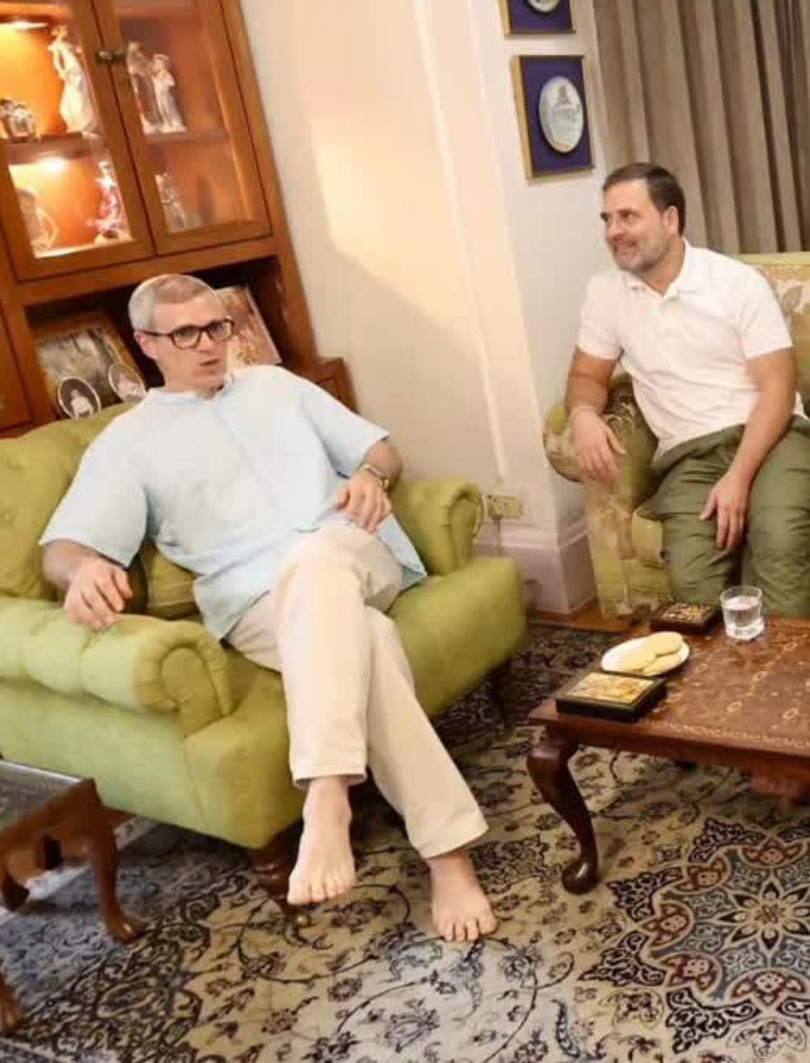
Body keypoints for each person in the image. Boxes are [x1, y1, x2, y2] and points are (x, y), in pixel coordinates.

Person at [39, 274, 497, 942]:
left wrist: (371, 477)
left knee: (317, 562)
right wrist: (82, 568)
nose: (208, 345)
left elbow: (379, 449)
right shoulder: (126, 443)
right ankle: (446, 856)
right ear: (145, 344)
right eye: (186, 334)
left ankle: (326, 793)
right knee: (366, 640)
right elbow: (63, 545)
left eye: (217, 326)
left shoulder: (278, 386)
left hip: (352, 553)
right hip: (253, 603)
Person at [562, 163, 810, 617]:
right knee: (692, 587)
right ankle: (720, 686)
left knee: (778, 545)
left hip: (773, 436)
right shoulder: (605, 293)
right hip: (689, 456)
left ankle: (784, 680)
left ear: (670, 219)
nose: (613, 231)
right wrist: (583, 416)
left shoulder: (735, 282)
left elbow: (778, 387)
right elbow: (586, 377)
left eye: (627, 217)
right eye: (607, 219)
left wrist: (738, 478)